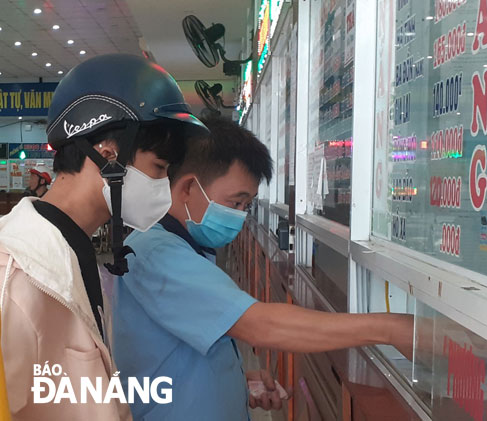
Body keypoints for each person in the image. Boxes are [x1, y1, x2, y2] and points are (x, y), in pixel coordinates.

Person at [111, 114, 414, 420]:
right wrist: (392, 329)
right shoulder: (158, 254)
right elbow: (261, 325)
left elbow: (172, 356)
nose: (241, 216)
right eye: (235, 203)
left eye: (248, 205)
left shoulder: (187, 248)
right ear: (189, 187)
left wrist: (233, 382)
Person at [0, 54, 207, 420]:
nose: (164, 185)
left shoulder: (77, 254)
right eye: (158, 168)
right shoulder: (13, 275)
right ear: (107, 152)